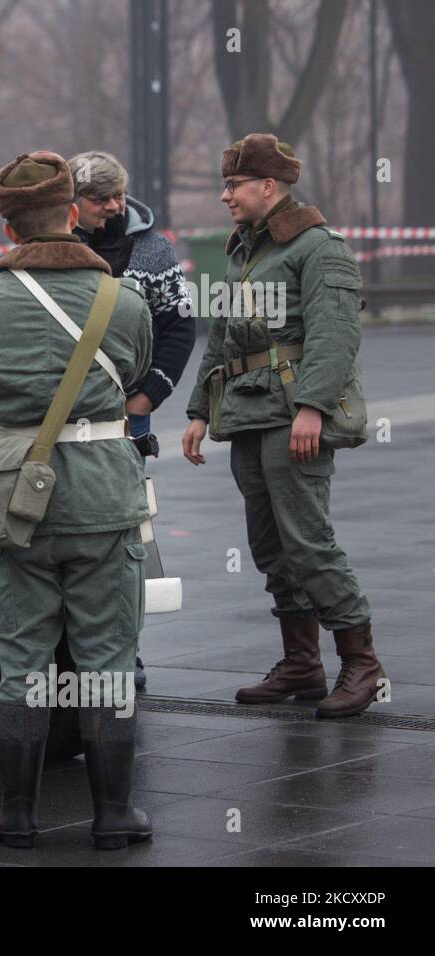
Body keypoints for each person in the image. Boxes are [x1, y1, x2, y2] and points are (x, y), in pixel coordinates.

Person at [0, 151, 154, 849]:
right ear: (73, 214)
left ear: (8, 230)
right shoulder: (121, 300)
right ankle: (112, 816)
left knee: (21, 666)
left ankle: (17, 814)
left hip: (14, 503)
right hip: (102, 497)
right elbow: (130, 373)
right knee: (108, 662)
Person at [181, 133, 384, 718]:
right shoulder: (246, 249)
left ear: (268, 186)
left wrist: (314, 407)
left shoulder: (319, 249)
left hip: (294, 413)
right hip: (247, 411)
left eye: (233, 185)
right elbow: (220, 335)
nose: (225, 196)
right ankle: (301, 662)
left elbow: (335, 334)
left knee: (307, 541)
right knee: (271, 546)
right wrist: (198, 410)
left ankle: (363, 664)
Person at [71, 150, 196, 690]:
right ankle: (67, 656)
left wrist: (145, 400)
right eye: (102, 199)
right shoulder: (52, 249)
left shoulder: (154, 249)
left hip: (129, 419)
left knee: (125, 540)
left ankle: (125, 653)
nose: (115, 206)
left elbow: (180, 328)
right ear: (72, 204)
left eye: (119, 195)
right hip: (64, 419)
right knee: (65, 534)